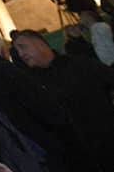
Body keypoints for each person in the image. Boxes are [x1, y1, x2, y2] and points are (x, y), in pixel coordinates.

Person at [0, 33, 81, 172]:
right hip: (35, 145)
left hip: (9, 153)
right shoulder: (6, 70)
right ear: (3, 50)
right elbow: (41, 105)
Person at [13, 29, 114, 171]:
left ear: (41, 44)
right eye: (17, 50)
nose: (20, 54)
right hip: (79, 158)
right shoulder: (31, 85)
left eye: (23, 47)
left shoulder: (80, 64)